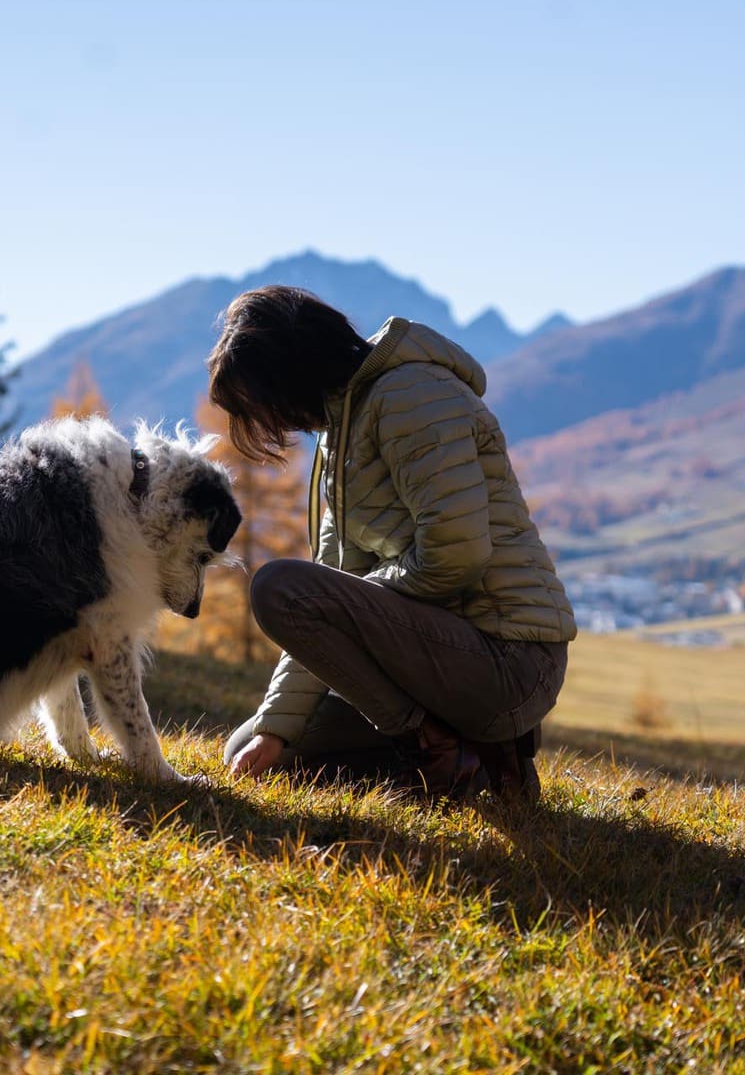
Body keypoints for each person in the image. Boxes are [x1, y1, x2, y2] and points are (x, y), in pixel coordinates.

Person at [208, 286, 576, 803]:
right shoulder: (344, 426)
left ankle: (440, 752)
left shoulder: (412, 396)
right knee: (254, 749)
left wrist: (359, 603)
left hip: (507, 660)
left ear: (290, 371)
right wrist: (274, 728)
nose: (280, 424)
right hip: (436, 659)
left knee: (279, 586)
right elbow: (334, 580)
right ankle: (486, 759)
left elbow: (457, 553)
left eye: (266, 404)